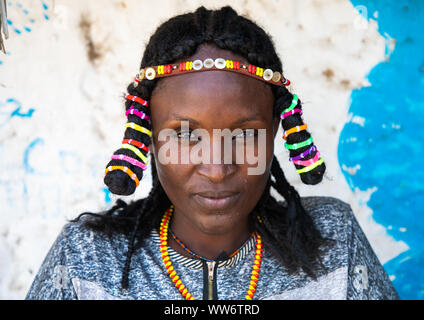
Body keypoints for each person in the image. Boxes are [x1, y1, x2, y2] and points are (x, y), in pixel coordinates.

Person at [26, 6, 398, 300]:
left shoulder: (335, 241)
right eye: (186, 134)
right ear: (148, 137)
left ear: (275, 133)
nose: (218, 168)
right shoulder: (84, 258)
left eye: (245, 134)